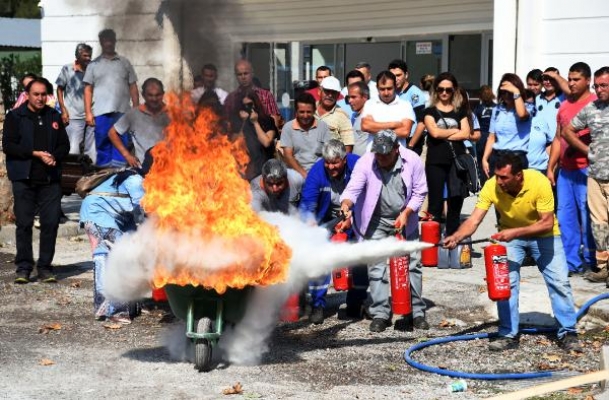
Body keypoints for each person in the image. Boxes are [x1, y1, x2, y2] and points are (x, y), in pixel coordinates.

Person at [443, 153, 581, 352]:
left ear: (519, 176)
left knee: (559, 281)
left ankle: (568, 332)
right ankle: (508, 334)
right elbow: (474, 220)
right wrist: (457, 237)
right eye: (497, 176)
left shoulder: (538, 182)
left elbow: (547, 223)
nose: (499, 181)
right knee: (505, 284)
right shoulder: (491, 186)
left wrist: (515, 232)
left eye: (504, 177)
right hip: (510, 238)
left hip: (545, 235)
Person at [340, 130, 428, 333]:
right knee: (376, 267)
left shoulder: (412, 160)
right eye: (377, 154)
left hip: (405, 219)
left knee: (412, 265)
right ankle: (381, 313)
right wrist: (346, 204)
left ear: (396, 149)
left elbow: (420, 191)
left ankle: (416, 312)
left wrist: (406, 213)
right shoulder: (366, 162)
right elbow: (353, 188)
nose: (380, 158)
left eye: (385, 154)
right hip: (376, 221)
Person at [2, 78, 70, 284]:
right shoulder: (15, 117)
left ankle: (45, 268)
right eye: (36, 94)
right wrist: (35, 153)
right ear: (27, 95)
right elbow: (9, 146)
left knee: (50, 223)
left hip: (50, 180)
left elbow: (64, 145)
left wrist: (54, 156)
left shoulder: (53, 116)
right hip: (24, 178)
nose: (40, 98)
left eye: (43, 94)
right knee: (24, 224)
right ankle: (23, 268)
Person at [299, 140, 365, 324]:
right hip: (326, 220)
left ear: (344, 159)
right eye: (327, 162)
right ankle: (317, 304)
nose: (330, 167)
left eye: (335, 162)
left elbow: (369, 193)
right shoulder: (317, 172)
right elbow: (307, 203)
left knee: (358, 258)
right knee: (320, 259)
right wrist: (310, 223)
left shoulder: (358, 165)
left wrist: (353, 217)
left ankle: (355, 303)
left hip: (356, 217)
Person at [80, 163, 148, 324]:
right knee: (114, 258)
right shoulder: (135, 180)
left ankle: (128, 304)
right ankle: (116, 310)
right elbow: (147, 208)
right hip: (99, 216)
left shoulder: (126, 176)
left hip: (104, 215)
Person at [547, 62, 597, 278]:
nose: (572, 83)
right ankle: (571, 263)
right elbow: (558, 139)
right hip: (566, 172)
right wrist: (551, 167)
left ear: (588, 80)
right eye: (570, 79)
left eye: (576, 79)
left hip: (588, 170)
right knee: (565, 218)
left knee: (589, 219)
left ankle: (593, 262)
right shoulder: (565, 105)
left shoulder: (596, 104)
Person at [561, 66, 609, 286]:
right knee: (598, 223)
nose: (599, 90)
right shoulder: (592, 109)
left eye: (604, 85)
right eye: (597, 86)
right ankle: (602, 267)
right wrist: (586, 151)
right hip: (595, 175)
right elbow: (567, 130)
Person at [423, 72, 472, 235]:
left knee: (455, 201)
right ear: (436, 90)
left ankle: (452, 239)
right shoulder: (430, 111)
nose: (444, 93)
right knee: (435, 205)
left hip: (456, 160)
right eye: (440, 89)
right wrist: (454, 130)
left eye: (448, 90)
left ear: (454, 91)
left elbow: (466, 133)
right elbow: (434, 133)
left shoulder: (460, 110)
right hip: (436, 161)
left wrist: (443, 131)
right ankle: (432, 245)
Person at [83, 28, 139, 167]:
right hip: (101, 112)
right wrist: (88, 113)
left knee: (121, 144)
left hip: (122, 112)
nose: (108, 43)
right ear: (101, 42)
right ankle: (104, 177)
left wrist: (136, 108)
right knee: (102, 145)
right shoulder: (93, 65)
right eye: (105, 41)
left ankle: (118, 177)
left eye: (110, 40)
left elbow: (133, 86)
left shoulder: (124, 63)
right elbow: (88, 90)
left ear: (114, 42)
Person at [108, 78, 169, 168]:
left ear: (163, 94)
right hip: (144, 169)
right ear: (143, 95)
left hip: (171, 168)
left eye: (157, 95)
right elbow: (112, 133)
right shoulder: (133, 114)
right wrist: (127, 155)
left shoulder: (173, 113)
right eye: (150, 95)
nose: (154, 99)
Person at [481, 73, 534, 178]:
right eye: (504, 92)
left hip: (516, 158)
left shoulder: (528, 107)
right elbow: (492, 137)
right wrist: (485, 158)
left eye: (510, 92)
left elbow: (522, 114)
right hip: (497, 157)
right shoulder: (497, 110)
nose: (506, 95)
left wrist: (516, 92)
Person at [56, 43, 96, 162]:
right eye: (85, 55)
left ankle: (89, 178)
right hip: (73, 117)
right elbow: (59, 89)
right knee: (73, 150)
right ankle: (72, 177)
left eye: (89, 56)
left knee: (92, 153)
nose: (88, 58)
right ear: (77, 56)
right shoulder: (67, 69)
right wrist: (63, 109)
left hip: (92, 116)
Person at [229, 88, 278, 181]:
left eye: (250, 105)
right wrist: (243, 122)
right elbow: (234, 145)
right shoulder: (237, 124)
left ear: (256, 104)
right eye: (244, 106)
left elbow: (266, 142)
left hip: (265, 173)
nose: (248, 108)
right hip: (246, 174)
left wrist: (255, 122)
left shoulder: (267, 121)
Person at [280, 92, 331, 178]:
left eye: (309, 112)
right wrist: (305, 175)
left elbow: (328, 153)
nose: (305, 115)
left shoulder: (323, 127)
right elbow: (288, 156)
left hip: (319, 173)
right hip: (295, 174)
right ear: (296, 111)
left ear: (314, 110)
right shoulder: (288, 128)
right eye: (302, 112)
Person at [361, 70, 416, 148]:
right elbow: (366, 126)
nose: (386, 93)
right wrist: (393, 124)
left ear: (395, 86)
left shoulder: (405, 105)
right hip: (373, 155)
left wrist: (375, 127)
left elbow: (405, 132)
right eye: (382, 89)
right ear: (377, 87)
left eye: (389, 88)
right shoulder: (369, 104)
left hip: (398, 155)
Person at [224, 59, 281, 129]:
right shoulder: (231, 98)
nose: (243, 77)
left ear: (252, 73)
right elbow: (227, 121)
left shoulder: (266, 96)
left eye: (246, 73)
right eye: (239, 74)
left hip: (262, 137)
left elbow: (275, 121)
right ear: (236, 76)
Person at [388, 59, 426, 152]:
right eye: (392, 76)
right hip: (394, 140)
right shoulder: (390, 92)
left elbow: (422, 122)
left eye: (398, 75)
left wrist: (410, 145)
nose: (395, 79)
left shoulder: (415, 93)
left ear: (406, 75)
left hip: (411, 142)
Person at [315, 76, 354, 152]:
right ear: (319, 91)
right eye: (327, 91)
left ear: (338, 95)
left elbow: (348, 147)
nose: (330, 95)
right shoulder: (310, 109)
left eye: (333, 92)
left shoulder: (343, 116)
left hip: (331, 162)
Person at [474, 85, 496, 186]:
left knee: (482, 162)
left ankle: (484, 185)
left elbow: (474, 123)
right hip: (494, 137)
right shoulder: (497, 107)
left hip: (482, 136)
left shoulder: (478, 109)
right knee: (494, 162)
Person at [535, 67, 566, 137]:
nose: (548, 82)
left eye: (552, 79)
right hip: (540, 144)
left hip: (558, 143)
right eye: (545, 79)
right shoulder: (536, 99)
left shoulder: (566, 97)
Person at [347, 81, 371, 156]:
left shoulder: (371, 116)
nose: (349, 101)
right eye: (349, 97)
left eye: (353, 97)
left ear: (365, 97)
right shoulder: (355, 116)